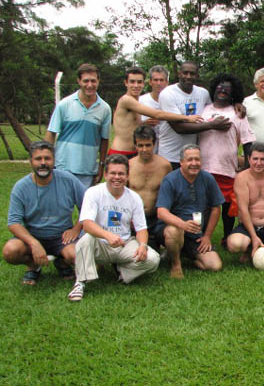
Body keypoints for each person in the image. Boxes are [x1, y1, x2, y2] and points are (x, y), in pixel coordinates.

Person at [68, 154, 160, 301]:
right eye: (113, 173)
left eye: (121, 174)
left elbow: (141, 228)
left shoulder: (134, 198)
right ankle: (80, 282)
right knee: (85, 240)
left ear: (127, 176)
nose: (117, 177)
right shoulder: (93, 192)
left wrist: (142, 245)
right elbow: (87, 223)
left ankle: (122, 273)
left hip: (124, 244)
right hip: (100, 244)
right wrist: (108, 235)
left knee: (153, 259)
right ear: (105, 175)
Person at [3, 141, 85, 285]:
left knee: (77, 256)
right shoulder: (21, 187)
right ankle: (33, 266)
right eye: (38, 159)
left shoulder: (68, 180)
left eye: (47, 158)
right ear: (31, 161)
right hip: (33, 235)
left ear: (54, 160)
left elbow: (88, 206)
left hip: (62, 237)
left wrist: (76, 229)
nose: (43, 163)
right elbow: (13, 222)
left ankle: (62, 263)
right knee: (10, 251)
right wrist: (33, 242)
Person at [198, 73, 255, 242]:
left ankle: (227, 236)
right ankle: (201, 236)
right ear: (214, 89)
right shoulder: (204, 109)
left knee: (227, 206)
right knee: (205, 205)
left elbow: (248, 142)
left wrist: (246, 169)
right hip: (203, 167)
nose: (223, 90)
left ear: (233, 93)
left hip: (227, 168)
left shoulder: (238, 113)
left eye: (227, 89)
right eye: (220, 87)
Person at [156, 145, 225, 278]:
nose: (194, 163)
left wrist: (207, 236)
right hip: (172, 229)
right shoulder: (170, 180)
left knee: (215, 265)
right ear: (181, 162)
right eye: (190, 160)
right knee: (174, 232)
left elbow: (216, 208)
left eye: (197, 159)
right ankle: (176, 265)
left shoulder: (208, 178)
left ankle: (183, 254)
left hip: (196, 234)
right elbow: (161, 212)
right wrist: (182, 224)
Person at [109, 66, 203, 158]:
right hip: (121, 152)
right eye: (132, 82)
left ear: (144, 84)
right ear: (126, 83)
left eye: (139, 82)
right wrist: (187, 118)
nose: (136, 85)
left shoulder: (136, 101)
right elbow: (157, 114)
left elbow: (130, 126)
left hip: (136, 152)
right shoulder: (126, 100)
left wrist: (143, 124)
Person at [45, 63, 111, 188]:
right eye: (86, 81)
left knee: (85, 202)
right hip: (63, 168)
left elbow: (104, 140)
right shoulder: (65, 104)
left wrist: (101, 166)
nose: (90, 85)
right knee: (63, 201)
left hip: (88, 171)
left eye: (93, 81)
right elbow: (51, 133)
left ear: (98, 81)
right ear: (79, 81)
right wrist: (47, 160)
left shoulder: (105, 109)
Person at [158, 61, 232, 169]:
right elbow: (179, 128)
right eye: (185, 73)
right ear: (179, 74)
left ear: (197, 75)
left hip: (193, 156)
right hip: (170, 156)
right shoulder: (168, 94)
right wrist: (212, 125)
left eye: (192, 74)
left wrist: (237, 104)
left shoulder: (203, 93)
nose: (188, 76)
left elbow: (217, 107)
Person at [226, 143, 264, 260]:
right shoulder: (242, 178)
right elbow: (243, 209)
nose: (258, 163)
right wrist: (253, 237)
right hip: (249, 226)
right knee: (235, 245)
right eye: (255, 159)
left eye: (263, 159)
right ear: (249, 159)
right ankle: (250, 246)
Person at [127, 125, 172, 251]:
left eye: (148, 145)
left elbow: (170, 195)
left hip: (155, 218)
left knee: (152, 253)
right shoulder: (128, 165)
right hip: (133, 218)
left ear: (154, 144)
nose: (144, 149)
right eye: (140, 145)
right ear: (135, 146)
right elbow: (122, 194)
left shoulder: (165, 166)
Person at [139, 65, 169, 153]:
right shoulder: (141, 101)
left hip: (167, 149)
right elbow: (132, 125)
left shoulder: (173, 101)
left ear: (167, 82)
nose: (158, 83)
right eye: (155, 80)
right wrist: (144, 123)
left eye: (161, 80)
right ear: (150, 82)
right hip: (146, 150)